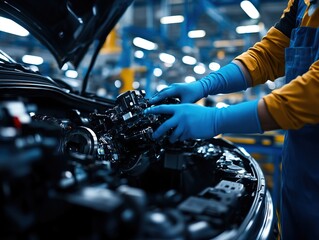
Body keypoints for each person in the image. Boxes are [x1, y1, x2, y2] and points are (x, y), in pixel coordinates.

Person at [144, 0, 319, 239]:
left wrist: (216, 119)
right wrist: (204, 85)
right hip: (299, 174)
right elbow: (269, 54)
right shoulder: (302, 3)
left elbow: (312, 95)